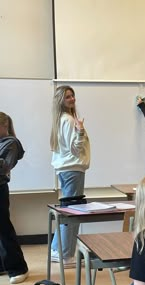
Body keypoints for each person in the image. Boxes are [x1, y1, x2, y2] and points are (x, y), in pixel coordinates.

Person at [50, 85, 90, 268]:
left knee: (67, 210)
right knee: (72, 213)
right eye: (68, 97)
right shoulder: (67, 120)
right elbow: (75, 148)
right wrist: (80, 131)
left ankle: (58, 250)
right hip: (72, 170)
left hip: (67, 169)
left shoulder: (62, 119)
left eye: (72, 95)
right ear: (61, 101)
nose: (72, 99)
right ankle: (66, 255)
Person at [0, 112, 29, 284]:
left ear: (4, 126)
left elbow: (3, 167)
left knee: (4, 229)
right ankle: (3, 265)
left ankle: (18, 268)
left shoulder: (11, 143)